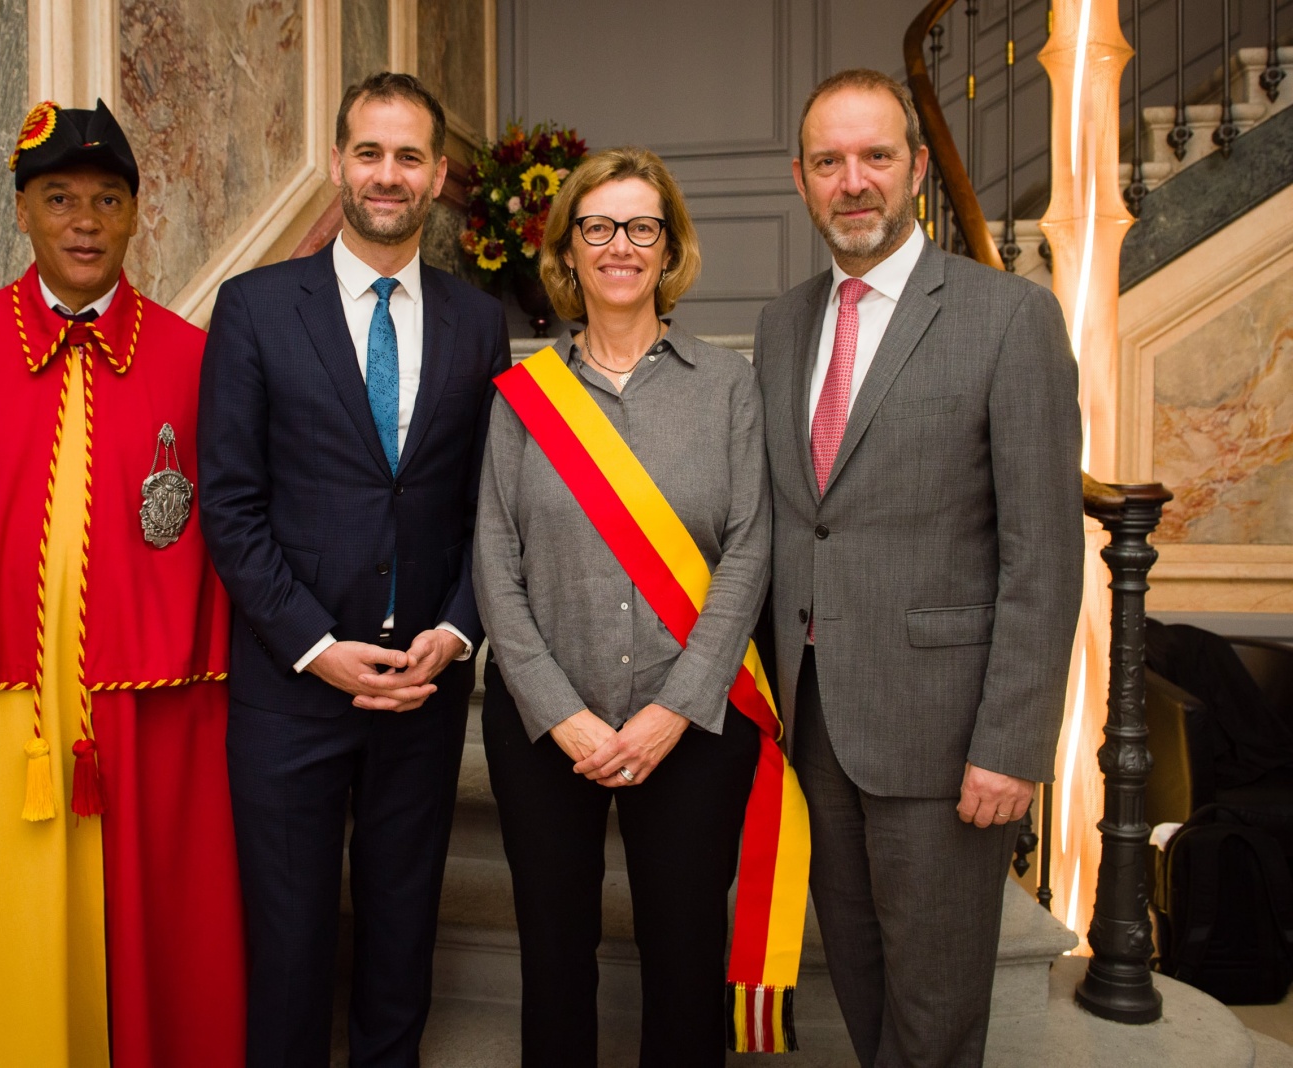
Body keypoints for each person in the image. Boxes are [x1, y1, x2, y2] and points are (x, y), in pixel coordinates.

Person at [0, 100, 245, 1068]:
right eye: (59, 197)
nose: (84, 220)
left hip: (149, 716)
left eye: (107, 200)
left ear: (135, 218)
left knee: (155, 931)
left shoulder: (197, 360)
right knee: (4, 925)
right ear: (21, 212)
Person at [756, 68, 1083, 1067]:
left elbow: (1043, 553)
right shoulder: (780, 325)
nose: (852, 181)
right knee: (854, 968)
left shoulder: (1006, 318)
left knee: (936, 999)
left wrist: (1012, 743)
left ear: (916, 171)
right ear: (802, 180)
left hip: (945, 735)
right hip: (813, 716)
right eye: (828, 162)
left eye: (874, 157)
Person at [197, 72, 508, 1068]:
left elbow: (484, 508)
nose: (387, 174)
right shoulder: (251, 309)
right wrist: (315, 646)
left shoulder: (477, 322)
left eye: (408, 156)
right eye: (368, 153)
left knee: (400, 927)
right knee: (287, 944)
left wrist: (456, 632)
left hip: (422, 682)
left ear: (439, 176)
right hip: (291, 686)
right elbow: (230, 507)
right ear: (336, 165)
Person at [473, 146, 809, 1067]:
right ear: (568, 252)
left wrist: (673, 708)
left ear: (669, 250)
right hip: (547, 727)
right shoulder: (522, 397)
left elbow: (751, 549)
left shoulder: (730, 386)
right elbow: (495, 563)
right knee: (553, 958)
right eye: (598, 228)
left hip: (694, 721)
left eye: (641, 228)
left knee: (685, 958)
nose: (620, 245)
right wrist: (561, 715)